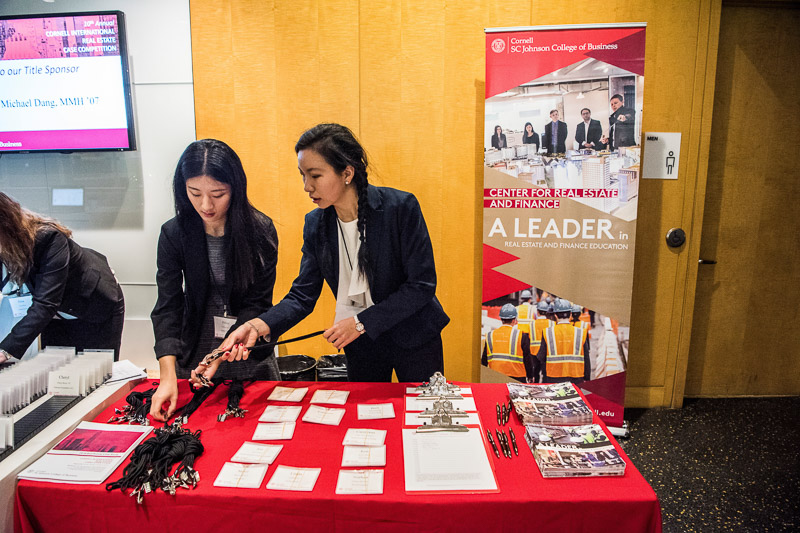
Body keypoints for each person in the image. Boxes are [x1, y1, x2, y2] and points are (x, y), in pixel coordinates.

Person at [200, 123, 449, 384]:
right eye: (302, 176)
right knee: (368, 418)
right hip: (360, 343)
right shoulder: (316, 224)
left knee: (424, 415)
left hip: (415, 336)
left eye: (315, 175)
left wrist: (362, 322)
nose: (307, 186)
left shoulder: (400, 208)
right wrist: (257, 326)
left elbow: (421, 286)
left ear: (347, 173)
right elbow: (302, 295)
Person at [149, 139, 279, 422]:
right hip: (195, 352)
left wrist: (220, 354)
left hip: (246, 352)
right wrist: (167, 377)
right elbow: (168, 306)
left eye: (217, 194)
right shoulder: (174, 234)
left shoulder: (260, 231)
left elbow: (257, 303)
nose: (205, 205)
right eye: (194, 193)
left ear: (235, 189)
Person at [0, 192, 124, 363]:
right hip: (54, 312)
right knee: (54, 374)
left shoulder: (48, 238)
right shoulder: (5, 244)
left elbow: (45, 303)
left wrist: (5, 351)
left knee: (95, 374)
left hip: (92, 302)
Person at [537, 299, 591, 384]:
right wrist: (587, 378)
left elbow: (541, 357)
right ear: (570, 314)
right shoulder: (581, 332)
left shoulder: (547, 332)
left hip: (553, 377)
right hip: (576, 377)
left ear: (555, 315)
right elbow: (586, 359)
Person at [482, 303, 537, 382]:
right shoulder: (521, 336)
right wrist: (530, 376)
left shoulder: (490, 335)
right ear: (514, 320)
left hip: (495, 377)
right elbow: (527, 359)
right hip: (517, 377)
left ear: (501, 319)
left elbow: (484, 360)